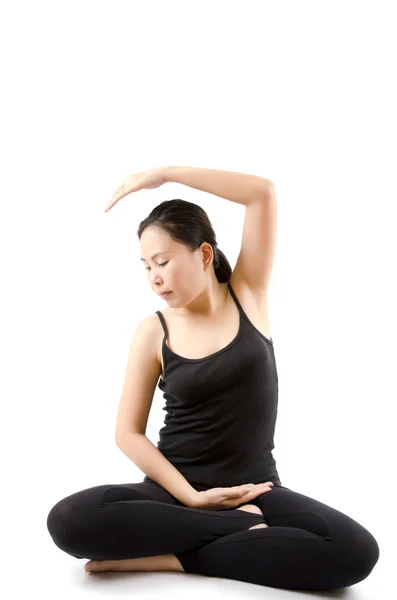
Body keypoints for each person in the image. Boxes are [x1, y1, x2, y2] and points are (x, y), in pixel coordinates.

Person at [46, 167, 380, 590]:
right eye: (146, 266)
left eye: (163, 261)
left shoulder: (248, 295)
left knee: (355, 551)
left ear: (204, 254)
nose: (155, 276)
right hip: (174, 495)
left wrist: (165, 174)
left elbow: (261, 194)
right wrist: (192, 498)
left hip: (254, 494)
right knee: (69, 519)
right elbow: (127, 434)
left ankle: (174, 558)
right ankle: (231, 533)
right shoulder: (153, 331)